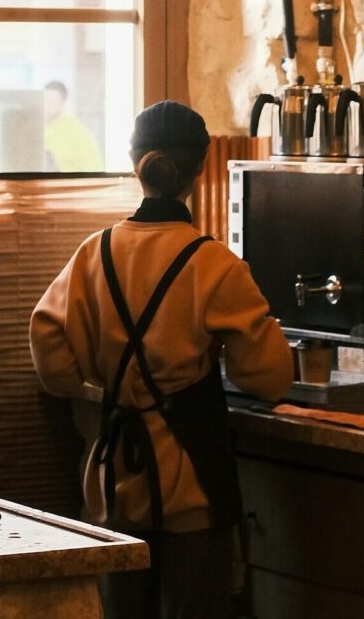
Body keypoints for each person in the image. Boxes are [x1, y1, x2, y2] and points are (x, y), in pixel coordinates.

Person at [29, 100, 293, 619]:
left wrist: (102, 375)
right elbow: (268, 378)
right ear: (199, 170)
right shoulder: (214, 263)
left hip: (114, 485)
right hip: (189, 484)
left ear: (136, 164)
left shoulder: (95, 252)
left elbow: (51, 353)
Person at [43, 80, 105, 172]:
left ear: (62, 102)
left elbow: (94, 169)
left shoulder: (78, 132)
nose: (47, 106)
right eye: (45, 101)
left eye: (52, 101)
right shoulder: (36, 129)